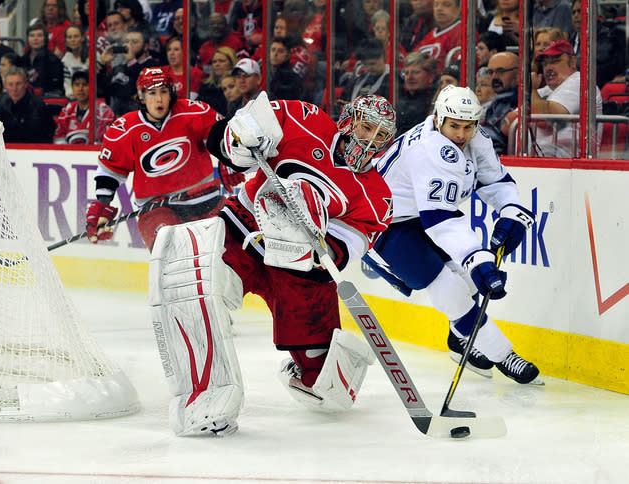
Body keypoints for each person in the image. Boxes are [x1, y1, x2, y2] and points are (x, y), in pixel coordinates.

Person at [147, 92, 397, 436]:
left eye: (380, 135)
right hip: (244, 231)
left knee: (329, 393)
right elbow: (220, 140)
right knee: (190, 292)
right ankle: (205, 400)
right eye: (367, 127)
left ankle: (313, 368)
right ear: (349, 120)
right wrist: (237, 137)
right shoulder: (302, 118)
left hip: (299, 269)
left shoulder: (377, 195)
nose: (370, 140)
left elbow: (338, 254)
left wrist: (305, 232)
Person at [363, 85, 540, 386]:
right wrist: (478, 258)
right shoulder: (431, 150)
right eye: (454, 125)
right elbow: (441, 220)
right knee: (449, 289)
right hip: (384, 221)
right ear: (438, 119)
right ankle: (502, 355)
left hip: (418, 215)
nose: (461, 134)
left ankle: (461, 341)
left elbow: (496, 181)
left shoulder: (477, 139)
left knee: (468, 280)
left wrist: (512, 211)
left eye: (468, 126)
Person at [85, 67, 242, 252]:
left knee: (233, 253)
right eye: (152, 93)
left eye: (164, 92)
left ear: (171, 94)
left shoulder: (191, 112)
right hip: (156, 210)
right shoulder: (125, 129)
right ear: (141, 96)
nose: (158, 99)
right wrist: (103, 205)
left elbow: (226, 134)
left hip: (206, 202)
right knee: (170, 253)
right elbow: (110, 172)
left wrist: (229, 157)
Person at [530, 40, 602, 157]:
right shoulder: (545, 90)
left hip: (571, 163)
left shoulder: (581, 82)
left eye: (555, 61)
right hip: (542, 158)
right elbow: (508, 123)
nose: (548, 68)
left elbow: (551, 115)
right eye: (545, 64)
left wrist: (531, 90)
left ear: (573, 62)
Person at [99, 27, 159, 116]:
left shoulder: (153, 66)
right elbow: (101, 91)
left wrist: (132, 60)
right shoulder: (120, 67)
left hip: (138, 117)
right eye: (127, 41)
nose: (129, 45)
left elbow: (140, 90)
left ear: (145, 47)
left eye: (134, 42)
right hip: (114, 117)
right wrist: (102, 63)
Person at [0, 67, 55, 143]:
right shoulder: (0, 104)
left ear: (26, 84)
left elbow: (47, 134)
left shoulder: (39, 106)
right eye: (10, 84)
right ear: (5, 86)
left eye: (18, 84)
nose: (14, 88)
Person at [53, 70, 115, 144]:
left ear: (92, 87)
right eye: (77, 85)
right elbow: (59, 137)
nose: (80, 89)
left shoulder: (104, 111)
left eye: (85, 85)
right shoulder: (67, 110)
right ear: (72, 88)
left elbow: (108, 141)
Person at [480, 52, 519, 155]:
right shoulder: (497, 101)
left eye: (500, 71)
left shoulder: (518, 101)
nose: (494, 77)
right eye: (491, 72)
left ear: (518, 73)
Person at [413, 0, 462, 73]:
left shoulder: (463, 32)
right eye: (436, 5)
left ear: (459, 9)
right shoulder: (429, 35)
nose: (439, 8)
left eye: (446, 5)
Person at [395, 52, 437, 133]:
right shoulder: (399, 100)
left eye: (416, 72)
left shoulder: (435, 100)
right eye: (406, 73)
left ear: (431, 76)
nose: (410, 77)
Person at [21, 22, 64, 96]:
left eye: (39, 35)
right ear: (27, 39)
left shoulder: (53, 60)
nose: (35, 39)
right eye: (32, 35)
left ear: (45, 38)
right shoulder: (22, 59)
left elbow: (57, 88)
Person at [197, 46, 238, 116]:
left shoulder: (238, 84)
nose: (217, 64)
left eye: (221, 61)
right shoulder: (206, 86)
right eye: (214, 61)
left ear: (231, 63)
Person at [161, 35, 204, 100]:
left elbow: (190, 100)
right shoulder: (161, 72)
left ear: (185, 52)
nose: (171, 53)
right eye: (169, 50)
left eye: (176, 49)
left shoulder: (196, 73)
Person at [268, 36, 304, 101]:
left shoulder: (289, 78)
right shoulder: (269, 72)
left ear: (287, 55)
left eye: (280, 51)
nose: (275, 54)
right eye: (273, 50)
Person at [61, 25, 89, 98]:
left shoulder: (93, 56)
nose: (72, 40)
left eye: (76, 36)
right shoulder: (66, 59)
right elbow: (67, 84)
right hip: (73, 98)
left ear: (82, 38)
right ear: (66, 41)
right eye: (69, 37)